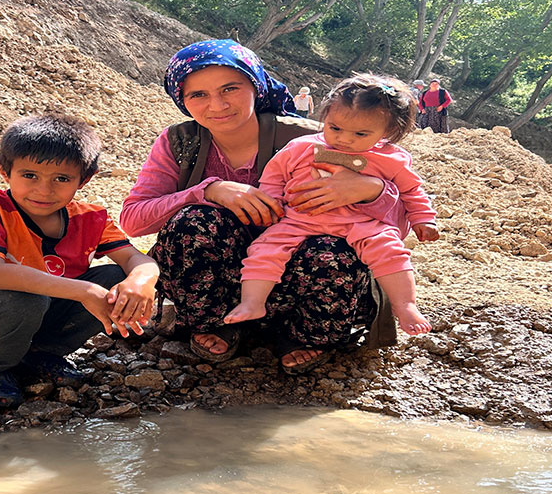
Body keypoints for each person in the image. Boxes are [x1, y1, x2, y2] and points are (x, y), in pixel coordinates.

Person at [120, 39, 404, 374]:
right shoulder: (180, 143)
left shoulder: (316, 140)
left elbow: (399, 226)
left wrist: (371, 190)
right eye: (198, 95)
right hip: (218, 283)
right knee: (194, 220)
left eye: (230, 88)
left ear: (256, 86)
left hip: (300, 278)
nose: (217, 104)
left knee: (334, 246)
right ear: (181, 99)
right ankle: (216, 323)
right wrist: (208, 190)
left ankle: (303, 334)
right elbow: (133, 220)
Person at [0, 114, 160, 407]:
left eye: (61, 179)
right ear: (5, 172)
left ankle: (40, 353)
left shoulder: (90, 217)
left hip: (36, 306)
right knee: (24, 298)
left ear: (84, 179)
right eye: (30, 176)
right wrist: (84, 291)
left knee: (114, 279)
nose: (44, 190)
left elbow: (136, 259)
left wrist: (141, 281)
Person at [223, 73, 440, 335]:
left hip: (362, 223)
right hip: (299, 219)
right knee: (264, 250)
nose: (344, 139)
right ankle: (252, 302)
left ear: (388, 132)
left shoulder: (391, 158)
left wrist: (423, 219)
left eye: (360, 133)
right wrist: (272, 206)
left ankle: (405, 305)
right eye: (335, 128)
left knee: (390, 251)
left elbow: (411, 191)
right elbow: (274, 177)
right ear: (324, 118)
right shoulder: (300, 147)